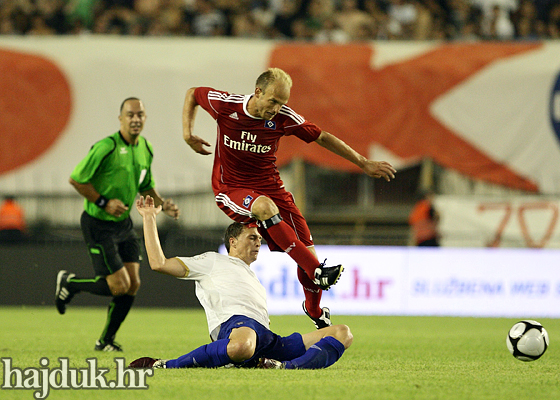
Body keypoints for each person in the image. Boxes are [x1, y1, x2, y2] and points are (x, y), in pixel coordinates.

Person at [182, 67, 396, 329]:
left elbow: (322, 137)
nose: (276, 108)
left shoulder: (284, 117)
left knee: (309, 254)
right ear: (258, 92)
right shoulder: (226, 105)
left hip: (272, 189)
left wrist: (363, 162)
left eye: (282, 102)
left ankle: (315, 310)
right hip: (231, 188)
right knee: (267, 210)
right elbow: (193, 93)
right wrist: (187, 133)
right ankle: (317, 270)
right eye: (273, 101)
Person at [129, 195, 353, 370]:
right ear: (233, 242)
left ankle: (282, 367)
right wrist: (149, 218)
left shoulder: (252, 276)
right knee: (242, 344)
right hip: (234, 327)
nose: (258, 243)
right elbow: (158, 263)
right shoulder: (212, 261)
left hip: (265, 339)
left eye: (259, 239)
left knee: (342, 333)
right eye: (252, 238)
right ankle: (166, 364)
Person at [55, 97, 180, 352]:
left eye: (140, 115)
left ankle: (105, 341)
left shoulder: (145, 147)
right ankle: (70, 284)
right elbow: (77, 180)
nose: (136, 119)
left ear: (145, 118)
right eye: (130, 114)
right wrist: (103, 202)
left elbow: (146, 185)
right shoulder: (106, 147)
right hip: (98, 223)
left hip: (123, 224)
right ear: (120, 118)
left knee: (133, 284)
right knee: (118, 285)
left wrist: (163, 204)